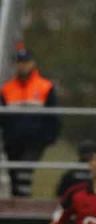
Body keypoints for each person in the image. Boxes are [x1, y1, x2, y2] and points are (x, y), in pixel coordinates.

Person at [0, 47, 60, 197]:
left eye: (25, 62)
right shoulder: (7, 89)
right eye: (19, 62)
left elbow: (53, 115)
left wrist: (49, 138)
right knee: (14, 174)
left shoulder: (45, 86)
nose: (22, 66)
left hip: (35, 140)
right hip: (13, 140)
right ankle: (17, 206)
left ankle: (24, 202)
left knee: (24, 170)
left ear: (32, 63)